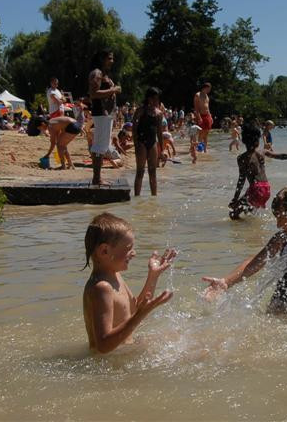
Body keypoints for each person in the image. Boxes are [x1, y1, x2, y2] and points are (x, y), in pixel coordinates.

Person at [205, 185, 287, 320]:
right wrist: (226, 282)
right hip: (279, 305)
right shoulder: (281, 239)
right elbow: (255, 262)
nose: (278, 225)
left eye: (281, 218)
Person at [81, 213, 176, 354]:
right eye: (128, 248)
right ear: (104, 251)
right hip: (109, 363)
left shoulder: (115, 275)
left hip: (122, 352)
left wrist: (153, 276)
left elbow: (133, 309)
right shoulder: (101, 288)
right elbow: (103, 346)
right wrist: (140, 315)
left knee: (173, 337)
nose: (134, 253)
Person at [228, 123, 287, 219]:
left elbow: (241, 180)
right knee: (248, 212)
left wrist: (235, 198)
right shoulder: (262, 152)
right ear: (258, 140)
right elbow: (281, 156)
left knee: (233, 214)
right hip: (266, 189)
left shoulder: (242, 158)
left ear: (244, 140)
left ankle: (245, 227)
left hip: (256, 190)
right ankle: (252, 227)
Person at [88, 50, 120, 186]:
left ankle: (98, 178)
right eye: (109, 58)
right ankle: (97, 179)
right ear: (102, 59)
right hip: (101, 113)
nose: (112, 61)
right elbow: (93, 94)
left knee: (103, 145)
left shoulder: (102, 74)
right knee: (99, 146)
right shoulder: (97, 73)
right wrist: (113, 90)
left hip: (106, 114)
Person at [132, 87, 164, 196]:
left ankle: (154, 198)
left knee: (153, 172)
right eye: (154, 98)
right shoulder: (140, 111)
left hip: (152, 143)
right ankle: (137, 197)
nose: (156, 101)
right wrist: (136, 144)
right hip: (141, 142)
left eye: (157, 99)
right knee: (140, 171)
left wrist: (162, 150)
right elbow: (134, 128)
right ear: (148, 98)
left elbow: (159, 133)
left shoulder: (159, 114)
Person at [193, 82, 212, 152]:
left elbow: (208, 108)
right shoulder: (197, 95)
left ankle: (205, 149)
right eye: (209, 89)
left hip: (207, 116)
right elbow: (196, 108)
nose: (209, 90)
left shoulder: (207, 96)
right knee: (201, 133)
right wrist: (199, 117)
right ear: (205, 88)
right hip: (201, 115)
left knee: (206, 133)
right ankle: (199, 149)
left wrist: (210, 117)